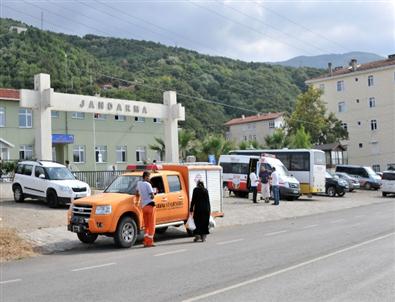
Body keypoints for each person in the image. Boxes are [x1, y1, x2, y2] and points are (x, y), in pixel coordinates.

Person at [137, 171, 156, 247]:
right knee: (151, 225)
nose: (149, 178)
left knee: (146, 225)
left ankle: (145, 242)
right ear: (145, 176)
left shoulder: (139, 184)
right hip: (150, 206)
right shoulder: (148, 184)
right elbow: (152, 196)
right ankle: (150, 242)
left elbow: (137, 193)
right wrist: (154, 193)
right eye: (148, 177)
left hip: (143, 206)